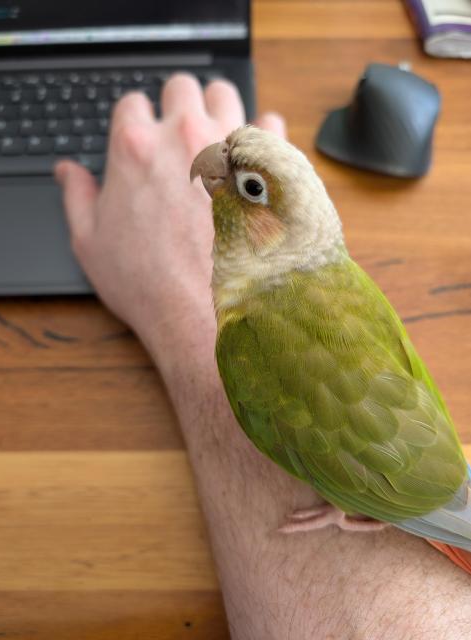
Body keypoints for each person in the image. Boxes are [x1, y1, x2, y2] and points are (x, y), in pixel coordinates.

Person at [55, 74, 471, 639]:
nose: (210, 168)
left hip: (410, 486)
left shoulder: (248, 339)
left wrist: (349, 506)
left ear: (284, 229)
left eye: (249, 187)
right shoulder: (341, 278)